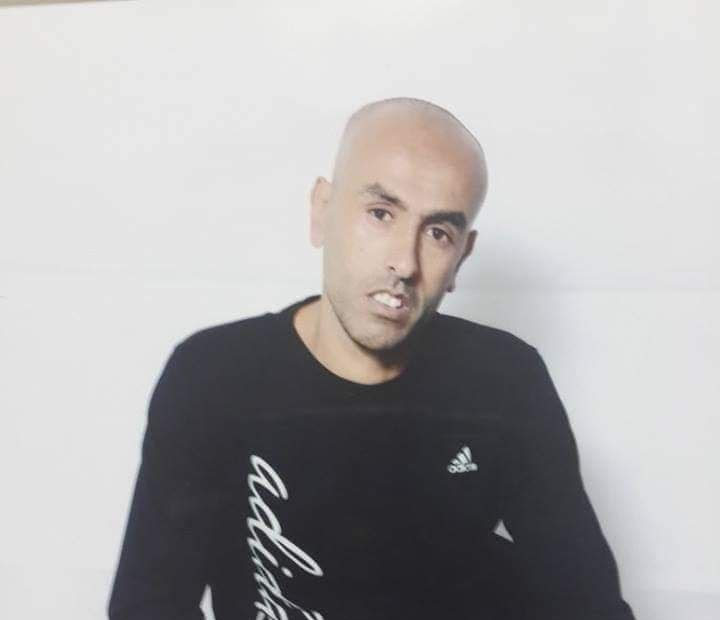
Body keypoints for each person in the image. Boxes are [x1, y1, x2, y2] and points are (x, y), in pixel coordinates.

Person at [107, 97, 636, 620]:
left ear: (461, 257)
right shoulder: (214, 379)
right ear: (321, 211)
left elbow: (589, 604)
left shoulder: (506, 381)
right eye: (380, 214)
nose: (404, 263)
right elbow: (148, 608)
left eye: (438, 233)